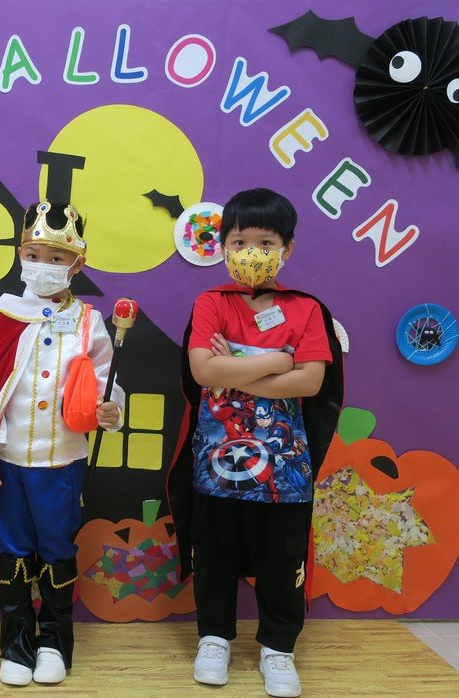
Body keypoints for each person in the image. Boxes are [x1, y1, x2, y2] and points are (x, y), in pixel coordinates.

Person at [168, 188, 343, 697]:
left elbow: (311, 381)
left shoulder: (306, 309)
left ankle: (278, 648)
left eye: (265, 242)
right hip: (215, 460)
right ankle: (214, 639)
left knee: (281, 557)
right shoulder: (211, 303)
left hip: (285, 466)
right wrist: (279, 360)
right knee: (214, 552)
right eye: (239, 240)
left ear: (287, 248)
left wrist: (236, 367)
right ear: (223, 245)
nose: (251, 252)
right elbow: (203, 371)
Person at [0, 200, 124, 687]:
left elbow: (104, 381)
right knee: (14, 547)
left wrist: (111, 408)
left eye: (56, 258)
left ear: (78, 262)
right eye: (34, 255)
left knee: (56, 546)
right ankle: (16, 643)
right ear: (20, 254)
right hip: (9, 461)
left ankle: (53, 641)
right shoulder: (4, 313)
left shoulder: (91, 321)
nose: (43, 265)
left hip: (61, 460)